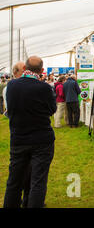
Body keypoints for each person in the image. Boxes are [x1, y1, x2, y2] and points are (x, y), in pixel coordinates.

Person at [3, 56, 56, 208]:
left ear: (25, 68)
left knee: (14, 181)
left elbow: (10, 110)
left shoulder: (11, 85)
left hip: (18, 139)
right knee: (38, 181)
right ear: (41, 70)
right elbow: (52, 109)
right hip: (41, 140)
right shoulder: (44, 88)